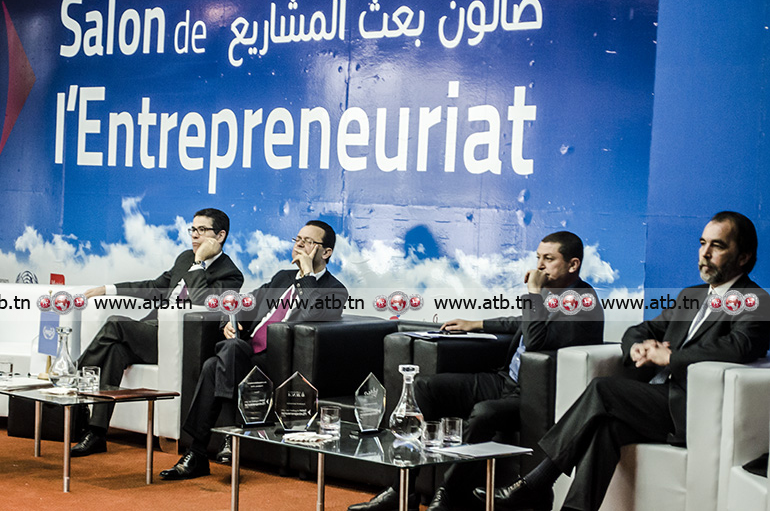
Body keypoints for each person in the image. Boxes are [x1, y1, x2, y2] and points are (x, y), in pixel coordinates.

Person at [492, 211, 770, 511]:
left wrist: (671, 356)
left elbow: (740, 346)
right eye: (703, 243)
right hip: (661, 401)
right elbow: (642, 329)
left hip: (696, 409)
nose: (705, 253)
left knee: (602, 389)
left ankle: (537, 482)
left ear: (743, 257)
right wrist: (637, 347)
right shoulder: (692, 295)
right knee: (605, 430)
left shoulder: (756, 300)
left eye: (718, 245)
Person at [350, 231, 605, 511]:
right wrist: (476, 324)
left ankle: (450, 493)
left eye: (549, 259)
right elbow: (522, 323)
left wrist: (533, 294)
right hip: (506, 381)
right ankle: (401, 491)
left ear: (573, 264)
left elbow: (535, 341)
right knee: (425, 387)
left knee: (484, 413)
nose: (540, 266)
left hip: (535, 395)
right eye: (538, 258)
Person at [159, 219, 349, 480]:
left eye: (308, 242)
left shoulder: (335, 290)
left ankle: (207, 447)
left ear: (326, 252)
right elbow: (244, 302)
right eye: (297, 239)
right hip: (246, 353)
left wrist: (307, 276)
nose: (299, 245)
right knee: (222, 358)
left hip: (279, 361)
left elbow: (311, 313)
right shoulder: (282, 277)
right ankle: (211, 445)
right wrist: (229, 321)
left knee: (218, 362)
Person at [70, 208, 244, 457]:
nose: (194, 235)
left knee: (115, 324)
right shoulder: (184, 258)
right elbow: (154, 287)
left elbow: (200, 301)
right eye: (192, 229)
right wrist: (108, 289)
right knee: (115, 350)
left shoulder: (230, 274)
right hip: (151, 332)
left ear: (220, 235)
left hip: (178, 342)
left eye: (202, 230)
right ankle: (96, 432)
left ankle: (72, 377)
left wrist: (199, 262)